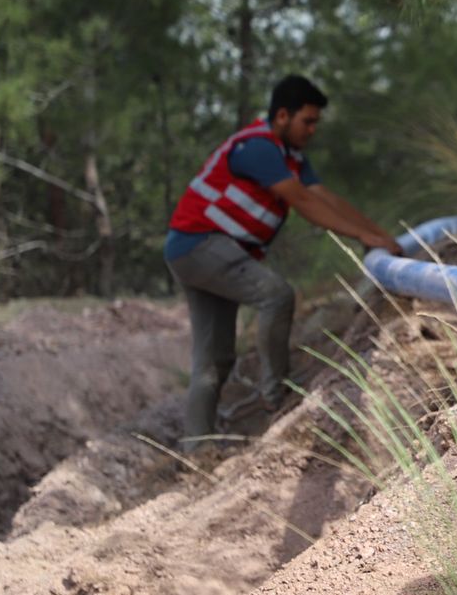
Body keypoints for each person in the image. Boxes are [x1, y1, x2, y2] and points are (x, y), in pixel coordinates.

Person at [164, 74, 402, 445]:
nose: (312, 129)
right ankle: (278, 393)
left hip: (207, 252)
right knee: (276, 295)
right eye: (307, 121)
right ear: (282, 117)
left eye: (316, 122)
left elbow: (325, 197)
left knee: (215, 360)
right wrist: (362, 236)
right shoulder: (258, 148)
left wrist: (379, 236)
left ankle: (197, 447)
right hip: (200, 246)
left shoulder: (291, 157)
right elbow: (305, 203)